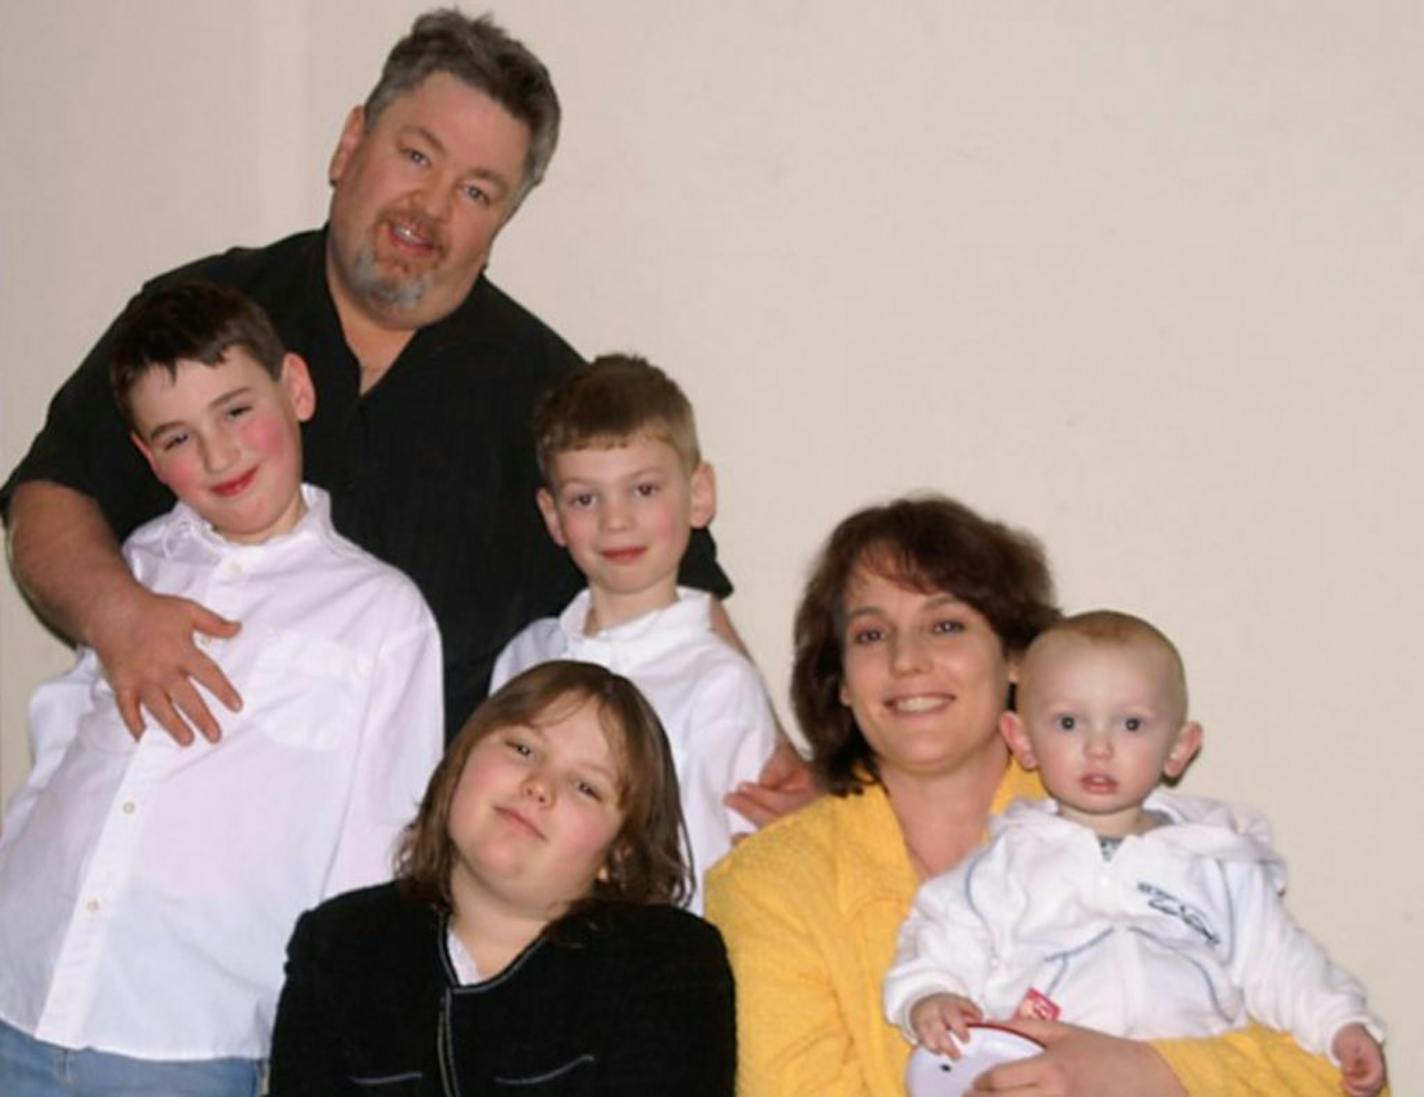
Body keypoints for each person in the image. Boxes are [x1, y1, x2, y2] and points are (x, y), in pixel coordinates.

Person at [0, 9, 730, 743]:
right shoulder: (197, 314)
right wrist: (119, 617)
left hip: (413, 843)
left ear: (503, 221)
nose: (432, 208)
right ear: (351, 142)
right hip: (160, 796)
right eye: (417, 157)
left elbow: (680, 604)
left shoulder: (551, 397)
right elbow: (53, 490)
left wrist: (758, 752)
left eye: (477, 192)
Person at [704, 495, 1368, 1096]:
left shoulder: (1173, 845)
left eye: (946, 625)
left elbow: (1340, 1074)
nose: (907, 659)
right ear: (842, 680)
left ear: (1018, 657)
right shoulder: (774, 886)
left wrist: (1155, 1072)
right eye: (871, 634)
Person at [0, 282, 443, 1096]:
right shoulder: (135, 566)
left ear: (297, 389)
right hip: (17, 986)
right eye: (178, 435)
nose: (218, 454)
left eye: (237, 410)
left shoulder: (382, 614)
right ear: (145, 456)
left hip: (184, 1038)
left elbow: (376, 857)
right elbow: (60, 748)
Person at [885, 610, 1387, 1097]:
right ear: (1022, 738)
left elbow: (1283, 965)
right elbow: (941, 937)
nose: (1098, 747)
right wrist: (930, 996)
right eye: (1068, 723)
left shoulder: (1219, 865)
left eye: (1130, 725)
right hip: (1043, 1076)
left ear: (1179, 747)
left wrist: (1341, 1026)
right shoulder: (1004, 865)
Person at [267, 660, 736, 1095]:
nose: (538, 786)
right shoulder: (339, 946)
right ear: (461, 761)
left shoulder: (669, 964)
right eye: (523, 748)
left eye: (586, 787)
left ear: (617, 854)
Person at [491, 355, 778, 909]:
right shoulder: (526, 656)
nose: (615, 520)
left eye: (643, 490)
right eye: (584, 499)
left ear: (699, 496)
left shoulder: (720, 684)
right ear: (552, 517)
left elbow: (727, 872)